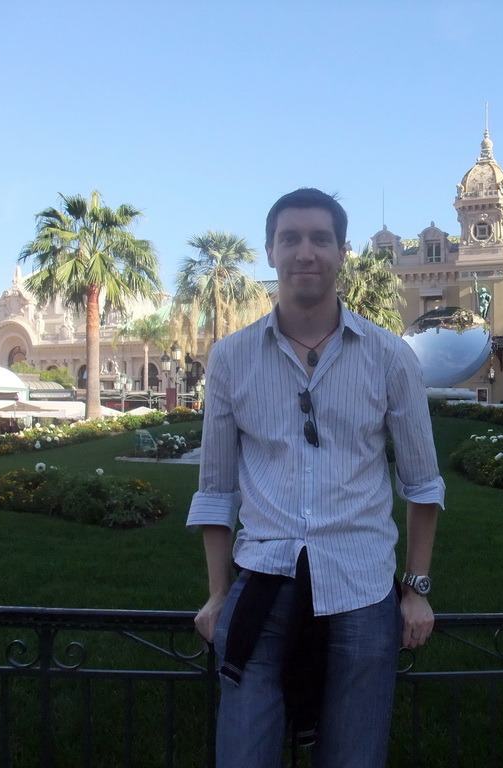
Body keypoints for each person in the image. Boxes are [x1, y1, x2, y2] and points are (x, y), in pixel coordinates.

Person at [187, 188, 445, 768]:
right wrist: (217, 593)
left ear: (343, 252)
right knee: (243, 755)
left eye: (320, 239)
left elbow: (422, 483)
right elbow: (216, 489)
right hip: (262, 590)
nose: (306, 252)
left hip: (362, 592)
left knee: (353, 757)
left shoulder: (388, 356)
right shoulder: (230, 358)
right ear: (271, 251)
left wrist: (417, 590)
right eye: (291, 239)